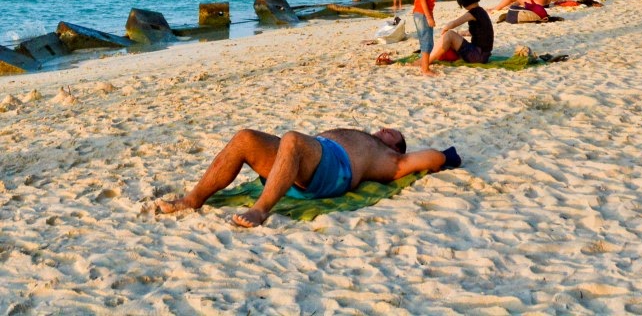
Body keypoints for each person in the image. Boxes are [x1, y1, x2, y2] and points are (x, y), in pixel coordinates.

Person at [154, 126, 459, 229]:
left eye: (393, 133)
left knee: (293, 140)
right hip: (307, 161)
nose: (384, 129)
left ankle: (260, 210)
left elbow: (424, 158)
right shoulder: (367, 137)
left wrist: (446, 157)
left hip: (334, 171)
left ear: (396, 144)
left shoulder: (389, 157)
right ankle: (192, 200)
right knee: (245, 138)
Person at [430, 0, 494, 65]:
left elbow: (453, 23)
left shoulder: (473, 13)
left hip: (478, 55)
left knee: (449, 34)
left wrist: (444, 30)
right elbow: (478, 32)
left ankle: (428, 60)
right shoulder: (481, 12)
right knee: (452, 38)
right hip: (483, 55)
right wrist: (460, 33)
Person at [413, 0, 452, 77]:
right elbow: (423, 0)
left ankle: (423, 64)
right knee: (427, 42)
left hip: (419, 13)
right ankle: (425, 69)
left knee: (425, 41)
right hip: (423, 14)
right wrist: (429, 17)